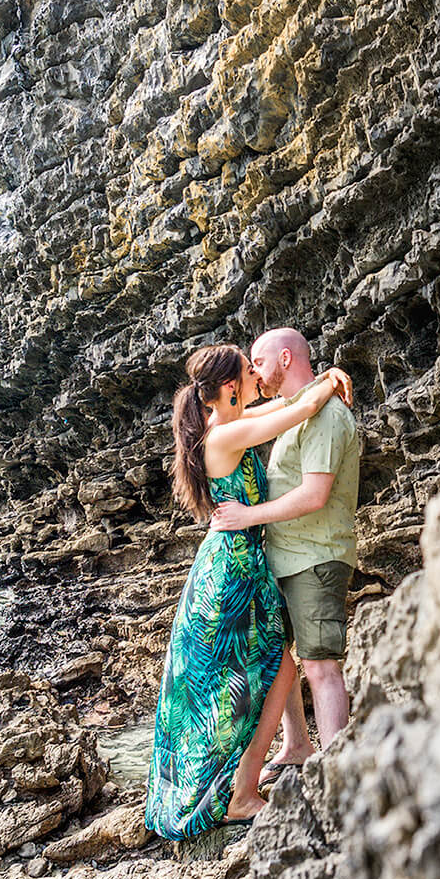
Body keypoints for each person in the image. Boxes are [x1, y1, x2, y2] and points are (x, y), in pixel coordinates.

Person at [145, 342, 353, 839]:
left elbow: (285, 405)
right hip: (232, 569)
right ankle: (241, 790)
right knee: (268, 667)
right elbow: (298, 408)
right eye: (248, 369)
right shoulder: (225, 435)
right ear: (232, 386)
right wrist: (332, 377)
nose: (257, 376)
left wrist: (324, 375)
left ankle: (285, 753)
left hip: (240, 563)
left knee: (269, 665)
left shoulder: (224, 425)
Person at [212, 327, 361, 787]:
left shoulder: (327, 417)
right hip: (280, 559)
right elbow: (269, 411)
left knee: (320, 663)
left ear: (283, 358)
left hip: (314, 558)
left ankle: (338, 772)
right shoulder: (296, 412)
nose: (254, 372)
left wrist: (248, 516)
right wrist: (326, 378)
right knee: (279, 661)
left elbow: (315, 494)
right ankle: (297, 745)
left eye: (258, 361)